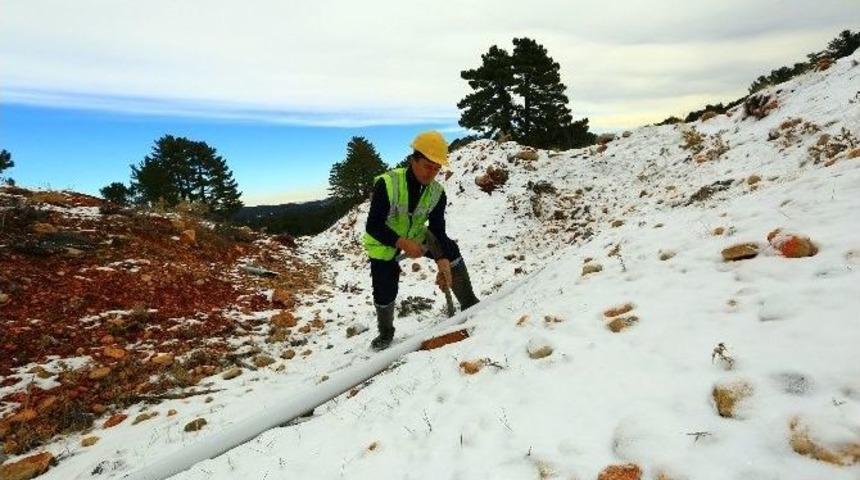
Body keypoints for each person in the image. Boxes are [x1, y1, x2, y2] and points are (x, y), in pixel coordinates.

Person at [362, 131, 480, 350]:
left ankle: (470, 304)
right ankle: (385, 333)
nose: (432, 173)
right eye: (427, 166)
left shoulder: (437, 193)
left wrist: (442, 258)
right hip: (383, 242)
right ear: (413, 160)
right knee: (385, 288)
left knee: (450, 250)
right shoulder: (388, 184)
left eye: (437, 168)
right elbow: (373, 226)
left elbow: (437, 230)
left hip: (416, 237)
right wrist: (403, 243)